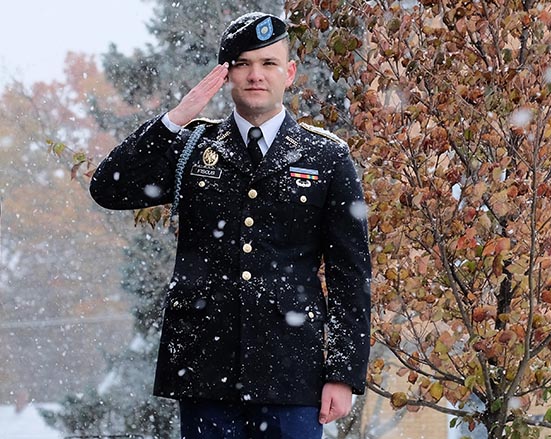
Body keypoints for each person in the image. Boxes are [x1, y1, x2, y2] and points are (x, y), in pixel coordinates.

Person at [89, 12, 371, 439]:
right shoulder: (192, 146)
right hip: (205, 368)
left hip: (291, 372)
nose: (256, 75)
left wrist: (344, 374)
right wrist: (175, 119)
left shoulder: (326, 157)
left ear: (289, 72)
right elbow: (109, 189)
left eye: (269, 63)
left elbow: (351, 275)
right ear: (225, 75)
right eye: (243, 64)